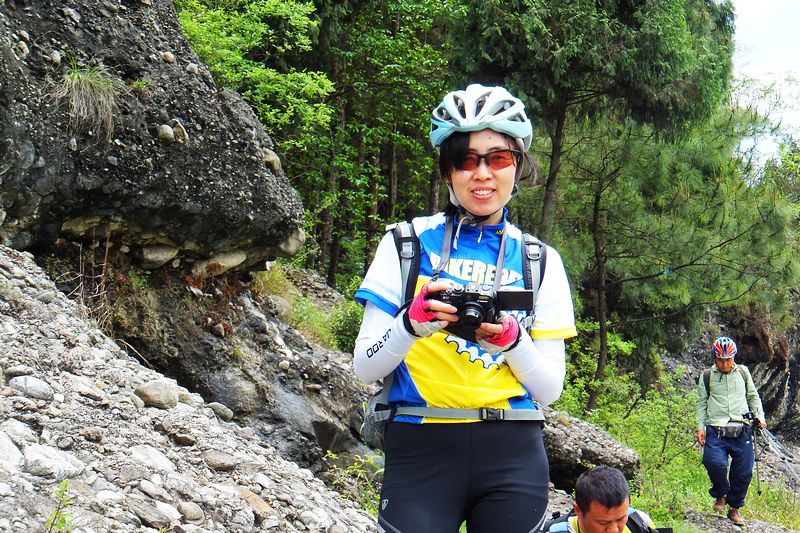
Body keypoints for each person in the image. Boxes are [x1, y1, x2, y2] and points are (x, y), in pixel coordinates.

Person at [352, 84, 577, 532]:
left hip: (513, 449)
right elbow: (364, 366)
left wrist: (513, 342)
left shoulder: (539, 260)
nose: (482, 174)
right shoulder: (405, 244)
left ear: (517, 165)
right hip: (420, 442)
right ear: (447, 170)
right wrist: (411, 324)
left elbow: (550, 388)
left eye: (498, 158)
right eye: (466, 160)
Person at [695, 336, 766, 526]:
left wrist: (760, 416)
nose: (725, 363)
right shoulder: (706, 376)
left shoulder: (743, 372)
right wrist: (700, 427)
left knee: (743, 472)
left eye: (728, 359)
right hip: (716, 429)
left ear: (734, 357)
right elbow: (701, 403)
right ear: (715, 358)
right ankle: (721, 493)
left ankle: (734, 508)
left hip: (742, 428)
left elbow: (753, 397)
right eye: (721, 359)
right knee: (713, 462)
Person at [543, 466, 657, 533]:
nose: (613, 530)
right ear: (578, 510)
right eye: (603, 522)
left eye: (621, 519)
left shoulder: (640, 523)